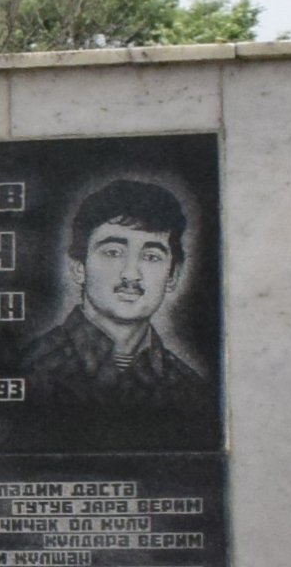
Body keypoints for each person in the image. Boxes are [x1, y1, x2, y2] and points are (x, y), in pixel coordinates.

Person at [24, 180, 213, 424]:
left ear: (172, 276)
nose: (131, 274)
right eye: (113, 252)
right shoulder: (27, 372)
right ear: (79, 267)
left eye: (151, 256)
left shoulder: (193, 393)